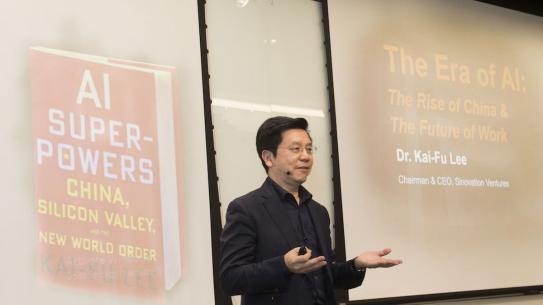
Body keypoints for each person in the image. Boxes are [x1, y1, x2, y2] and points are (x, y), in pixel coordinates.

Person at [220, 116, 402, 305]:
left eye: (309, 149)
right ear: (268, 158)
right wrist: (284, 265)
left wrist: (356, 265)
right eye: (296, 149)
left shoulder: (318, 212)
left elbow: (326, 274)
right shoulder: (246, 209)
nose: (306, 156)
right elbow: (231, 279)